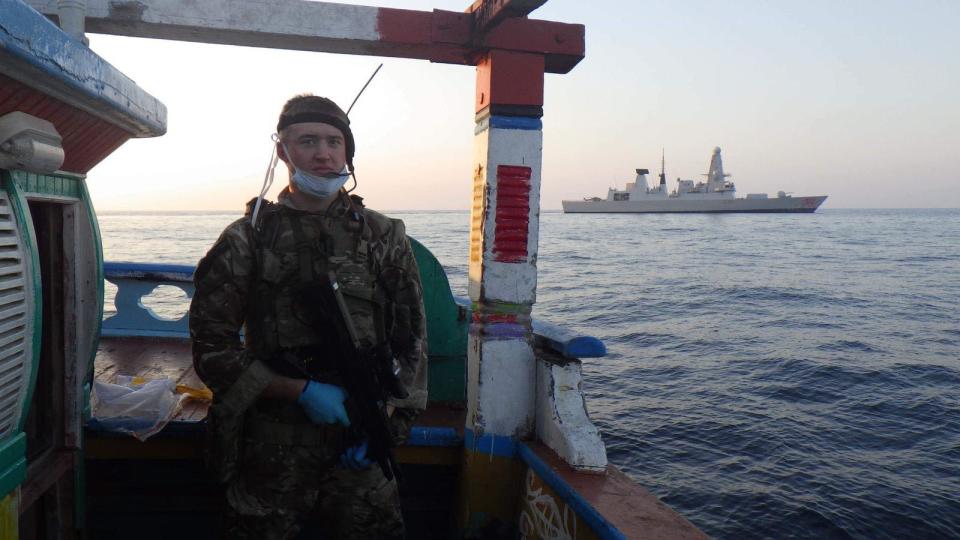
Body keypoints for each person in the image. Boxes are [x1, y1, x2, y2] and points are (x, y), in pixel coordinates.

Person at [189, 94, 427, 539]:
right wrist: (300, 391)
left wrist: (387, 427)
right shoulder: (247, 240)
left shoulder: (383, 235)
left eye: (335, 142)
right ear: (283, 151)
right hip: (271, 451)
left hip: (361, 441)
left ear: (348, 151)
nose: (323, 153)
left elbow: (412, 340)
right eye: (308, 141)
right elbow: (211, 351)